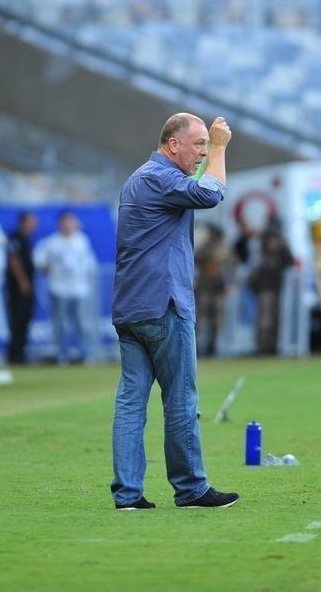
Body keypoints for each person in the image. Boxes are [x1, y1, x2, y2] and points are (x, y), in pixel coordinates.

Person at [110, 112, 239, 510]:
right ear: (172, 145)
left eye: (206, 145)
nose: (203, 152)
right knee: (180, 400)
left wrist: (209, 150)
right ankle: (191, 488)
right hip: (163, 305)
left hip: (131, 307)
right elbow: (211, 195)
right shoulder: (161, 178)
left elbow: (197, 188)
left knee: (131, 402)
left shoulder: (140, 178)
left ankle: (128, 494)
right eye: (198, 144)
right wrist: (221, 148)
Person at [34, 211, 98, 364]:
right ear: (60, 224)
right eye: (65, 222)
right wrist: (46, 268)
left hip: (79, 289)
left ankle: (84, 353)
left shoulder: (82, 240)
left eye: (71, 221)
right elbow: (39, 260)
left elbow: (90, 263)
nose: (68, 225)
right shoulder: (52, 242)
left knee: (81, 323)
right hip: (59, 288)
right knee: (60, 323)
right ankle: (61, 354)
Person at [247, 221, 294, 355]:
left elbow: (290, 261)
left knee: (276, 319)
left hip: (277, 289)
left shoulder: (281, 252)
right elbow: (253, 272)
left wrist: (284, 246)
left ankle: (273, 347)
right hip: (264, 290)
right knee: (265, 319)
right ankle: (262, 347)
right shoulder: (260, 252)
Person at [5, 211, 38, 365]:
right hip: (18, 288)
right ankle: (15, 354)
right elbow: (13, 259)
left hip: (26, 286)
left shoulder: (26, 238)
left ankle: (21, 353)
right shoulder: (15, 238)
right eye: (32, 222)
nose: (35, 225)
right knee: (18, 319)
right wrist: (22, 281)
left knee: (25, 320)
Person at [194, 224, 230, 357]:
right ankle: (198, 346)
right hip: (205, 288)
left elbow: (230, 266)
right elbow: (197, 259)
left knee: (217, 320)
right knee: (201, 319)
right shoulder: (205, 247)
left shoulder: (224, 249)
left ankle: (212, 347)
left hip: (218, 289)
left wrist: (229, 283)